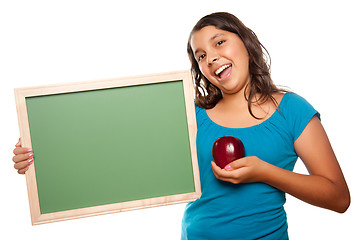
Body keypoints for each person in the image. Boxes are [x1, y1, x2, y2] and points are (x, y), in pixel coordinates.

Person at [12, 12, 350, 240]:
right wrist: (40, 152)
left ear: (246, 43)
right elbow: (113, 152)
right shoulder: (190, 115)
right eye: (200, 55)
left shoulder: (292, 110)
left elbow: (338, 197)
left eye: (219, 42)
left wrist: (264, 171)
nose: (211, 57)